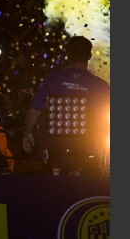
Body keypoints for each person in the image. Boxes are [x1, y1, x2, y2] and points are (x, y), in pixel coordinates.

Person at [22, 35, 110, 175]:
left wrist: (26, 134)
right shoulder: (102, 86)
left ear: (68, 55)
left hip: (54, 149)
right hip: (89, 151)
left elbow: (34, 111)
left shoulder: (51, 80)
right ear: (89, 55)